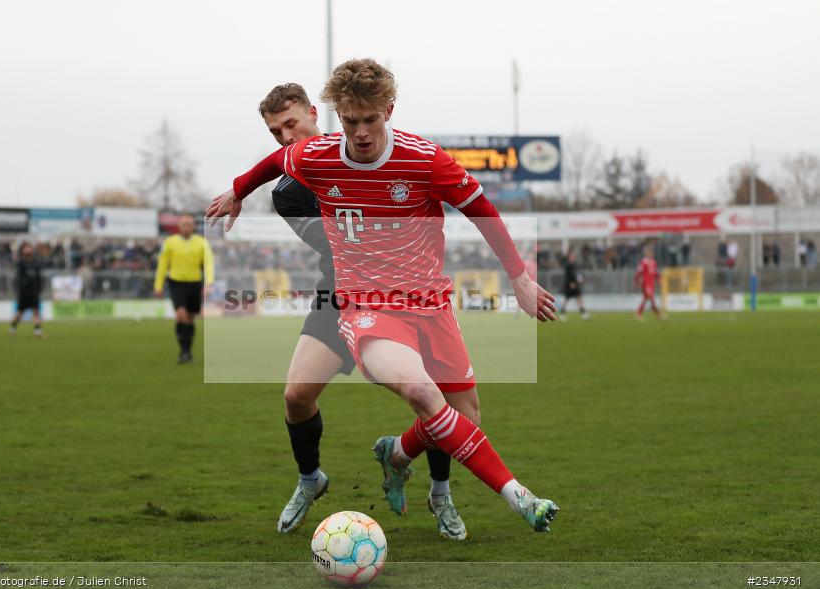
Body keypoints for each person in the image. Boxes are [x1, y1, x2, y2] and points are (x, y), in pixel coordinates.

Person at [207, 58, 560, 533]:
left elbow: (483, 210)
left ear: (386, 110)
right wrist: (238, 191)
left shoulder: (424, 159)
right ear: (338, 116)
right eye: (351, 122)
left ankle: (403, 459)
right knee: (380, 392)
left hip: (428, 301)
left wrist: (518, 277)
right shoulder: (310, 165)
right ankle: (517, 497)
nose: (361, 132)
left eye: (369, 120)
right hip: (356, 300)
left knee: (463, 416)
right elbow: (278, 166)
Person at [253, 84, 468, 539]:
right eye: (276, 132)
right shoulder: (289, 191)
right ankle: (310, 480)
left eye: (291, 124)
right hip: (341, 297)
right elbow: (335, 243)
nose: (285, 137)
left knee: (433, 398)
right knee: (295, 396)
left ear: (315, 113)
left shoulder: (372, 151)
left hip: (408, 297)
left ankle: (440, 493)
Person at [153, 213, 214, 363]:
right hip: (176, 282)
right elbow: (162, 265)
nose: (186, 227)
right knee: (181, 314)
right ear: (178, 226)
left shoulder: (201, 242)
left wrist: (208, 283)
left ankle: (188, 351)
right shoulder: (169, 242)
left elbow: (209, 263)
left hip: (194, 283)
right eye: (183, 224)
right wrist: (158, 285)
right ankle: (184, 352)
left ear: (193, 226)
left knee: (190, 318)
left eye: (189, 224)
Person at [10, 242, 43, 337]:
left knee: (36, 311)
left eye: (30, 247)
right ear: (23, 250)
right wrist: (23, 284)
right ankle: (13, 327)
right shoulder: (20, 263)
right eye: (26, 248)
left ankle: (37, 332)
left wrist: (39, 289)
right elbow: (19, 278)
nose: (29, 249)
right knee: (20, 313)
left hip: (34, 292)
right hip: (24, 292)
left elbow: (39, 278)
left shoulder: (36, 263)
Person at [560, 248, 590, 321]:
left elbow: (577, 274)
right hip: (570, 285)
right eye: (572, 256)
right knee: (566, 299)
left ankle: (583, 314)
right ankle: (562, 314)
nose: (574, 257)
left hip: (575, 285)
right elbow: (567, 276)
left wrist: (579, 279)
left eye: (574, 256)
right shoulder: (568, 265)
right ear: (569, 257)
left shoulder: (575, 265)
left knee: (579, 298)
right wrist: (571, 283)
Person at [634, 244, 662, 320]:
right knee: (651, 298)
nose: (652, 254)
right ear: (647, 253)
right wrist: (636, 281)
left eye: (652, 253)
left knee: (646, 298)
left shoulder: (653, 262)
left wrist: (659, 279)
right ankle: (658, 314)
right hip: (645, 283)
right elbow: (639, 272)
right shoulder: (644, 262)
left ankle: (639, 314)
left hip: (651, 283)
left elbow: (655, 272)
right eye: (650, 253)